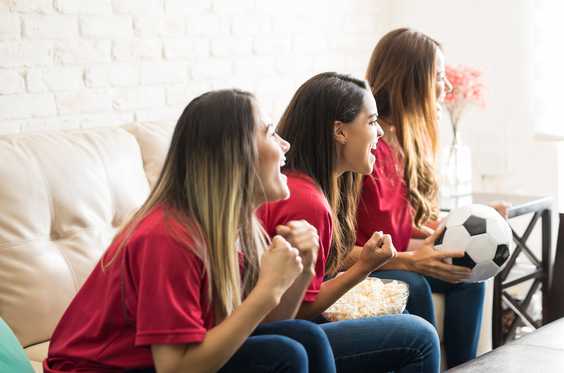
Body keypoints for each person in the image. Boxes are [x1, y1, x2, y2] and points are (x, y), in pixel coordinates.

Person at [44, 89, 336, 373]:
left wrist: (302, 271)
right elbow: (175, 368)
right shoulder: (167, 238)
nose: (285, 145)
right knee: (285, 354)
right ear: (234, 154)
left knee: (305, 336)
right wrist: (268, 289)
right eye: (270, 132)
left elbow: (262, 327)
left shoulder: (236, 227)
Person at [257, 72, 440, 373]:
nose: (379, 132)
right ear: (340, 132)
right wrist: (363, 268)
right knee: (419, 338)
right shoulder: (307, 200)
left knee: (407, 308)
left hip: (284, 326)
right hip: (277, 334)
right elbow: (299, 311)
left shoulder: (318, 187)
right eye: (371, 122)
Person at [354, 28, 495, 367]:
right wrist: (411, 258)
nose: (446, 89)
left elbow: (403, 222)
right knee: (414, 283)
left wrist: (459, 225)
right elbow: (346, 243)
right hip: (364, 265)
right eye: (439, 78)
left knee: (469, 275)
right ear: (412, 81)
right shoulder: (364, 149)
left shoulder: (405, 144)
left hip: (395, 255)